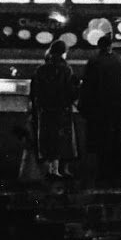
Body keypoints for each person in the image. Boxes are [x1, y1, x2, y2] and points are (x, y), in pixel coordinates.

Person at [79, 33, 121, 185]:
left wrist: (84, 107)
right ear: (111, 46)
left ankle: (103, 173)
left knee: (102, 144)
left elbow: (87, 87)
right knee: (118, 143)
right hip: (119, 110)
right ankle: (119, 172)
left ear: (99, 46)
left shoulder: (93, 62)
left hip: (99, 111)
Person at [30, 41, 78, 179]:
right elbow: (71, 92)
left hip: (45, 110)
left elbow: (36, 92)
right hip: (62, 110)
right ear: (64, 52)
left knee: (48, 138)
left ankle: (51, 169)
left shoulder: (41, 69)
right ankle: (61, 169)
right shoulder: (66, 69)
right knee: (63, 139)